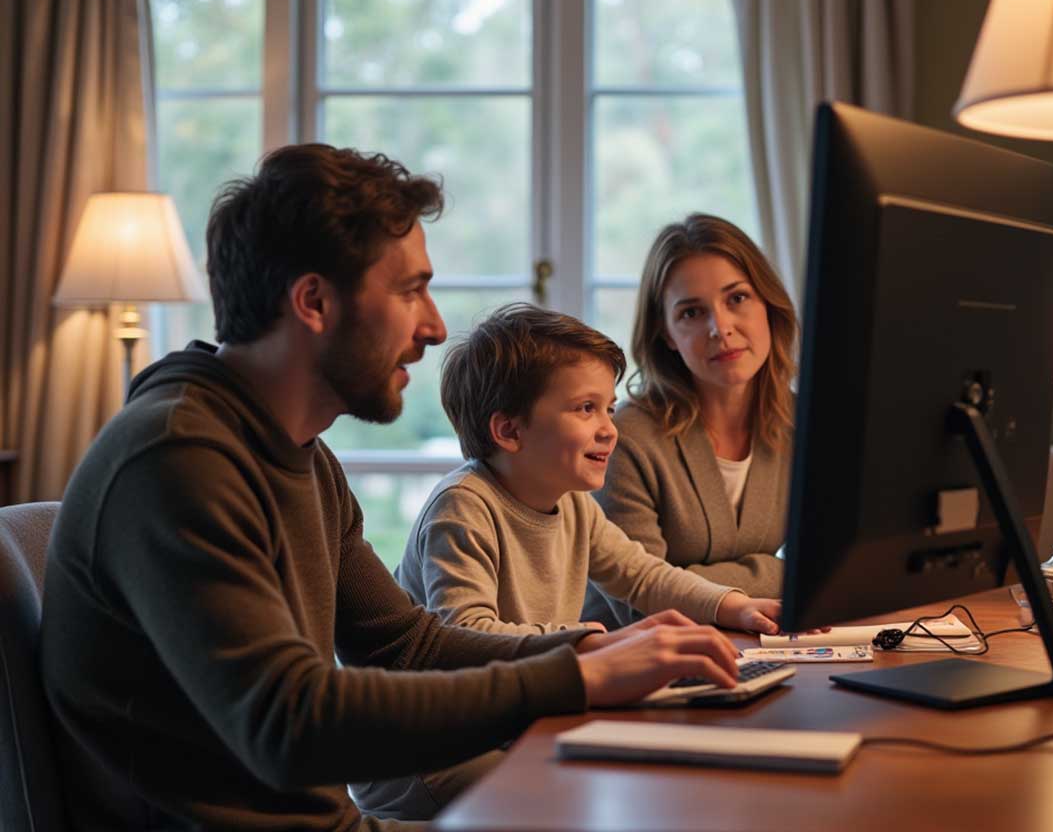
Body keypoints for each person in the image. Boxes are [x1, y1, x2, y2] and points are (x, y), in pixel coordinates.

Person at [39, 146, 750, 831]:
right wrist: (574, 681)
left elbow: (405, 645)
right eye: (411, 290)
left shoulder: (302, 459)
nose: (436, 327)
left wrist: (584, 653)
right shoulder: (178, 460)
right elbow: (290, 723)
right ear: (314, 302)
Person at [390, 303, 784, 638]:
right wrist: (592, 639)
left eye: (608, 409)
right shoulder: (462, 509)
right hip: (437, 721)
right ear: (509, 430)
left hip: (517, 693)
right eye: (585, 408)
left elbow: (644, 577)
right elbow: (468, 633)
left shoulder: (575, 506)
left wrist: (733, 606)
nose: (609, 429)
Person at [587, 213, 798, 628]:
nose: (720, 328)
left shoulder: (801, 425)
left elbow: (831, 568)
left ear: (769, 305)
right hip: (634, 664)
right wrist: (781, 574)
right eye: (691, 313)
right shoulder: (626, 437)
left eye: (737, 298)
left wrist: (686, 580)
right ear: (666, 333)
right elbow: (641, 601)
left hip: (755, 646)